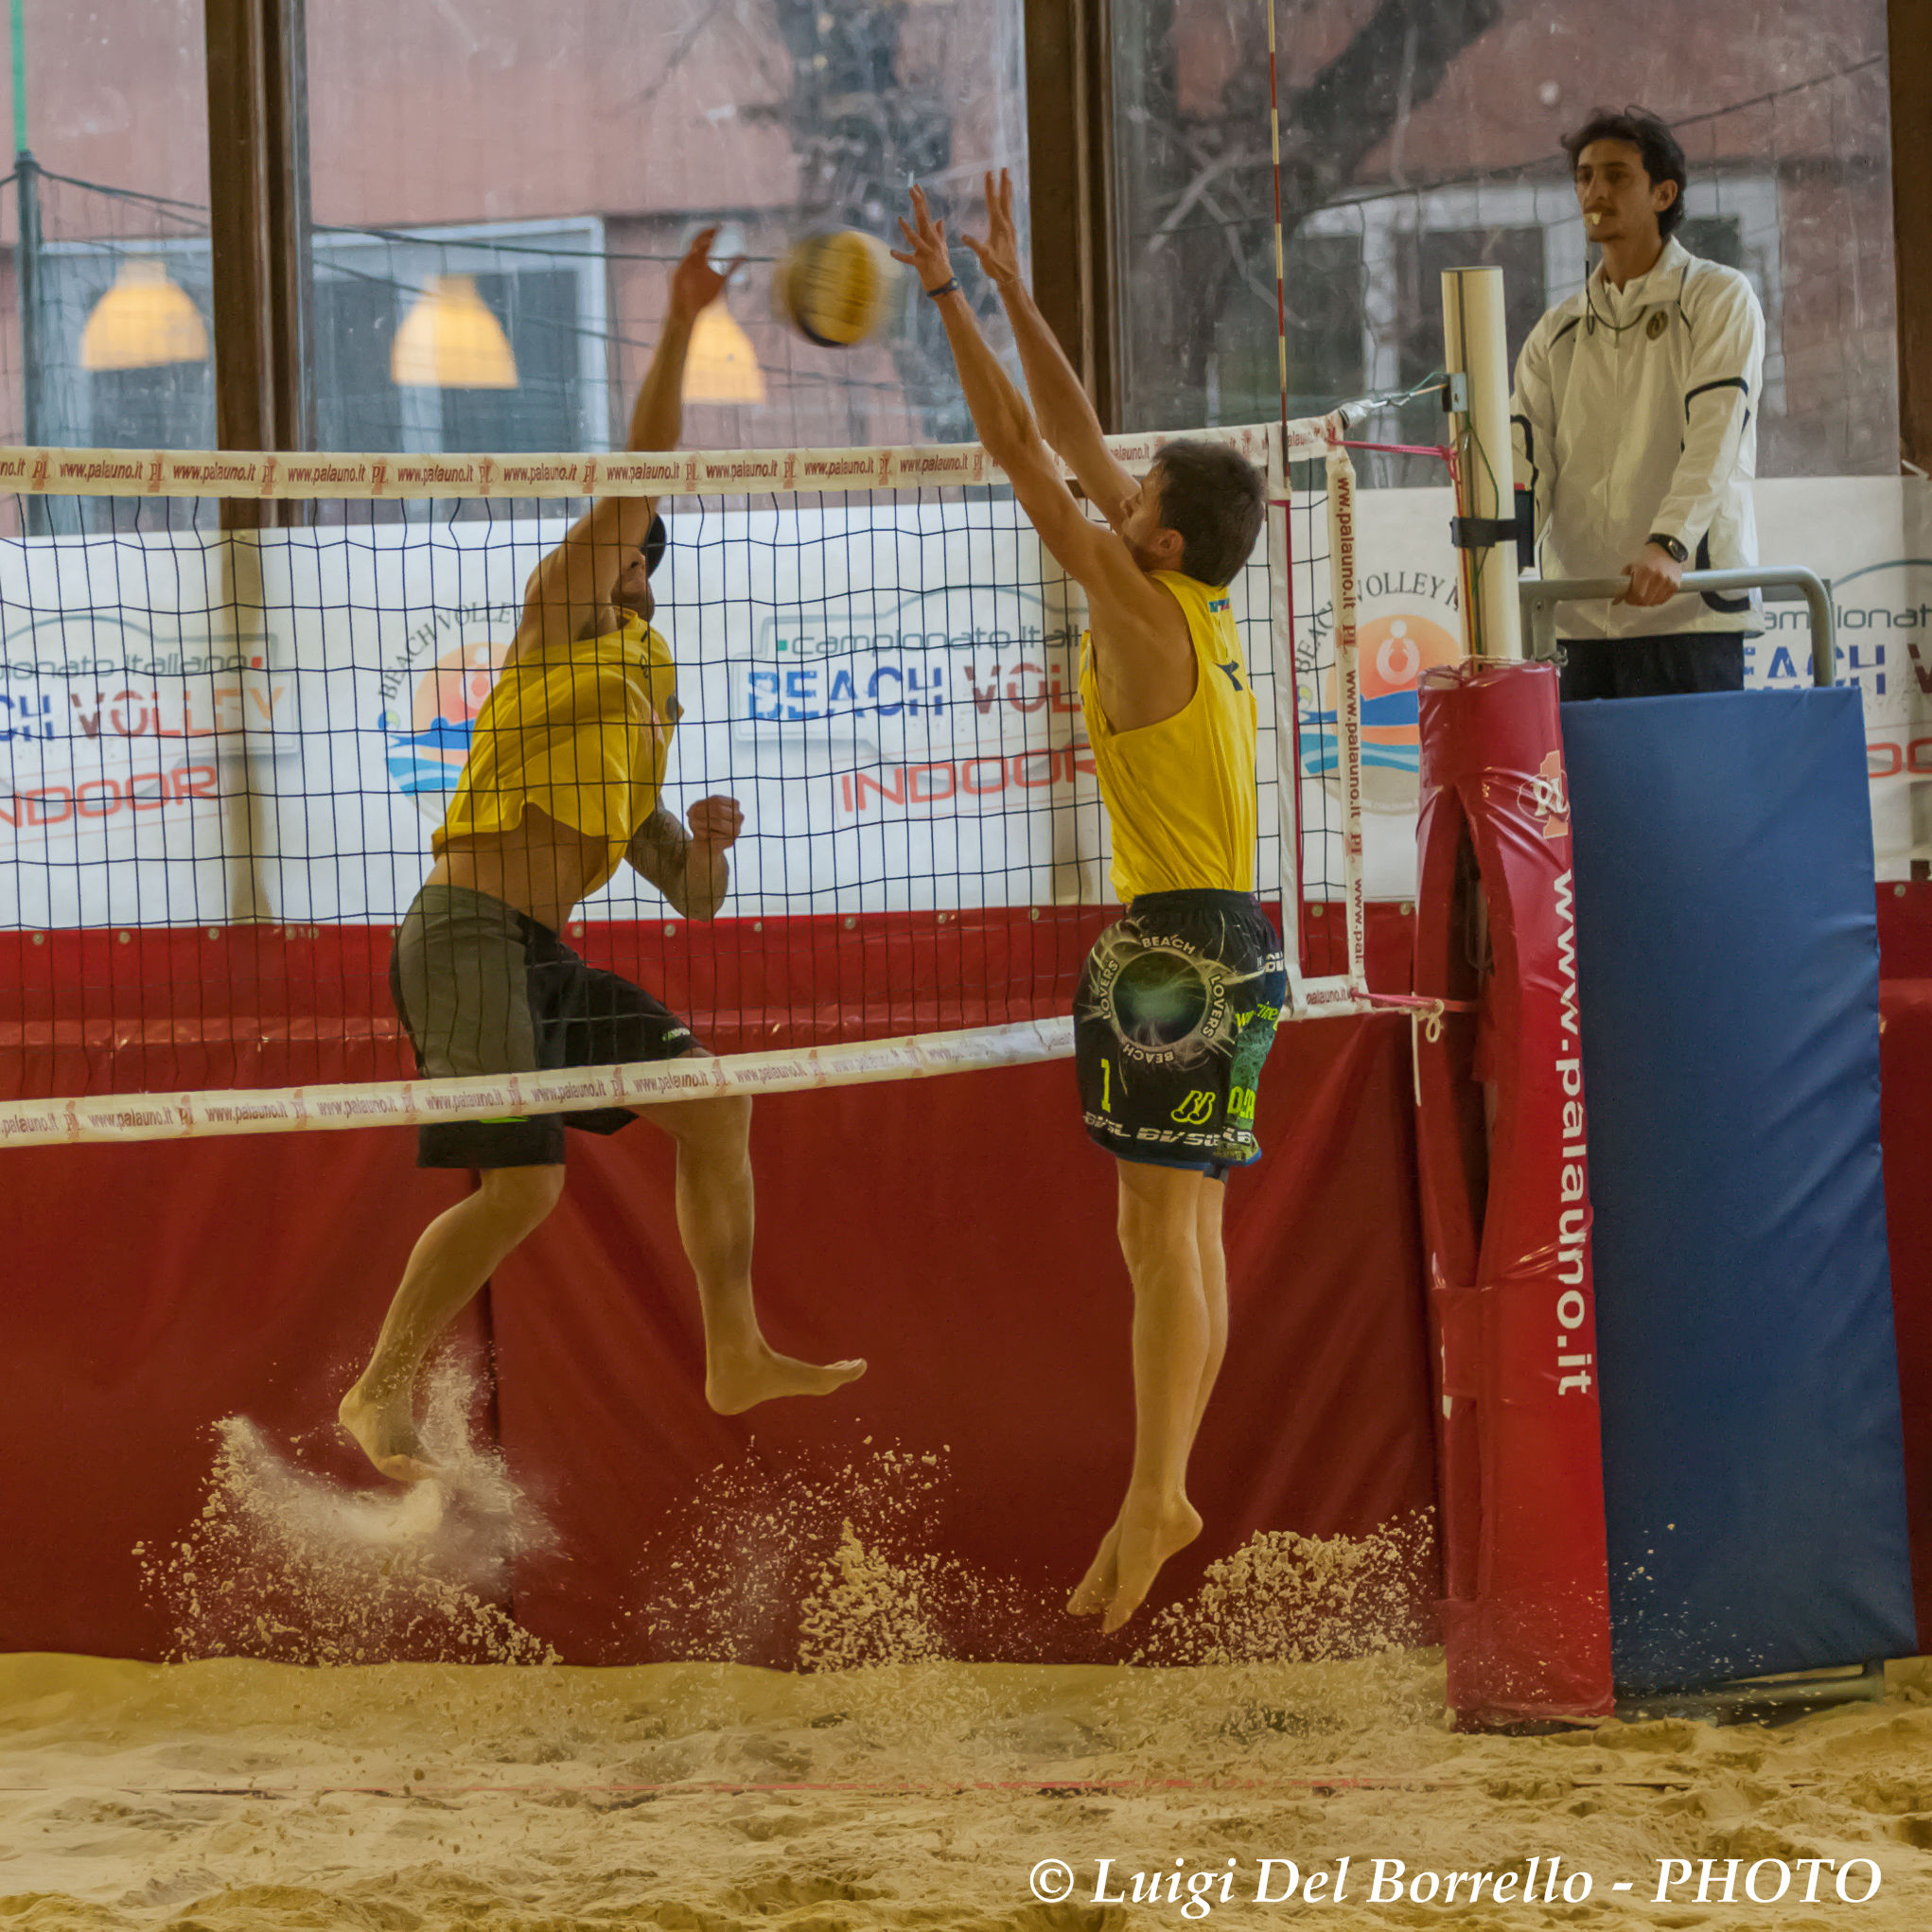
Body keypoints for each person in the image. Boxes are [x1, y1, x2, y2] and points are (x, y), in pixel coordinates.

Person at [340, 230, 865, 1484]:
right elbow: (639, 470)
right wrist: (683, 319)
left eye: (633, 551)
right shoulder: (551, 628)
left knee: (715, 1102)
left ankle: (731, 1348)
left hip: (539, 955)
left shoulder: (634, 700)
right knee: (523, 1191)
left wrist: (718, 849)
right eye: (620, 541)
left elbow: (689, 895)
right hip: (463, 933)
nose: (623, 554)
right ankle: (379, 1388)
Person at [892, 172, 1283, 1633]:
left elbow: (1014, 447)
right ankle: (1163, 1482)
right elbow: (1069, 432)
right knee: (1182, 1236)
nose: (1113, 496)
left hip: (1176, 946)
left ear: (1158, 541)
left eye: (1132, 501)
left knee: (1159, 1237)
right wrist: (1010, 279)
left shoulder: (1132, 603)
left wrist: (942, 298)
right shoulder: (1198, 599)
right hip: (1241, 942)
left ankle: (1155, 1488)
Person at [1511, 106, 1767, 700]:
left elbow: (1716, 433)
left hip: (1689, 615)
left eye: (1617, 175)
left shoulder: (1718, 296)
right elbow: (1525, 462)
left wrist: (1670, 545)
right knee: (1584, 798)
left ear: (1663, 192)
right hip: (1573, 620)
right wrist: (1499, 567)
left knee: (1693, 797)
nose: (1595, 191)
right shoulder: (1556, 330)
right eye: (1583, 176)